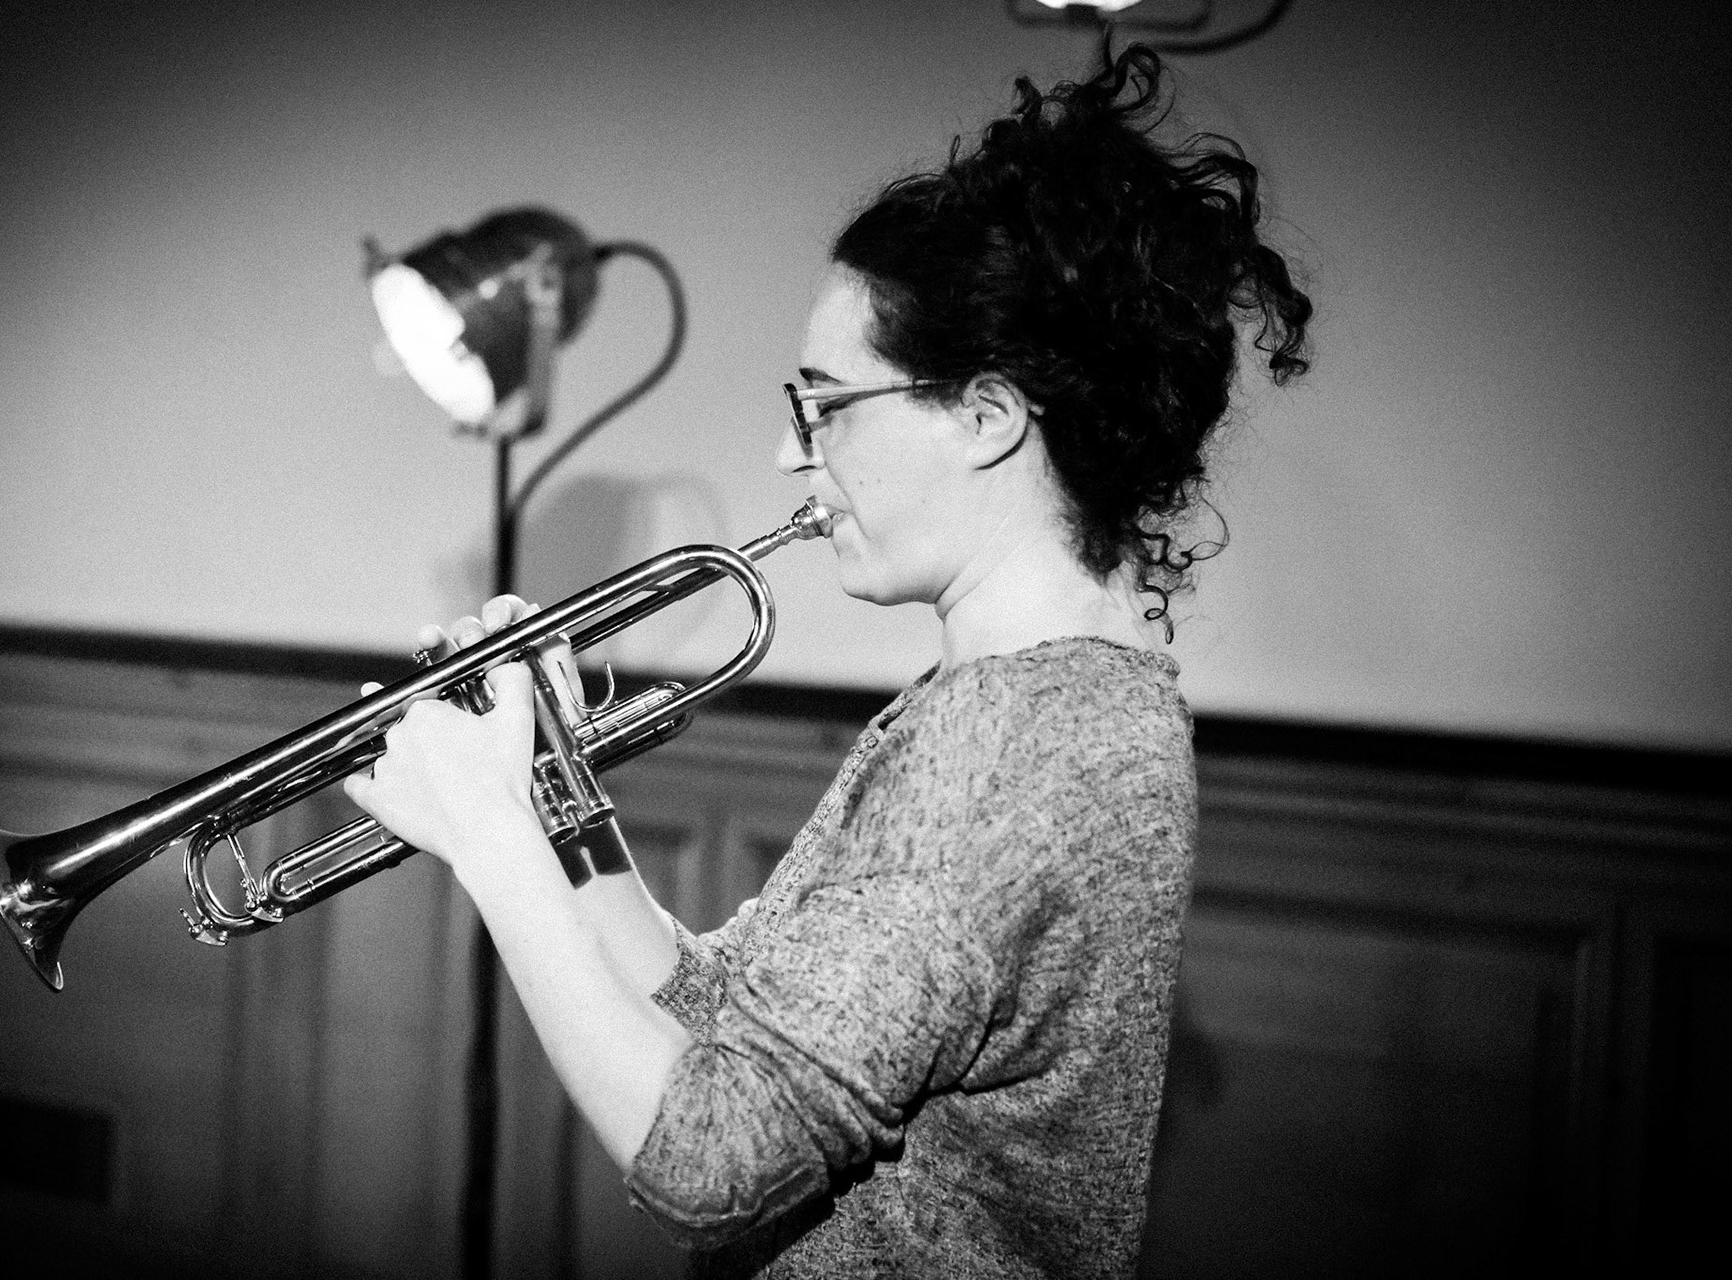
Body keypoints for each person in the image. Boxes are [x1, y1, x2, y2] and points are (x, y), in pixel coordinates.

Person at [346, 40, 1311, 1279]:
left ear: (987, 416)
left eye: (828, 403)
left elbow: (707, 1160)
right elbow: (720, 1027)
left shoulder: (1004, 745)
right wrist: (551, 791)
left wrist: (485, 838)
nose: (799, 452)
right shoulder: (1047, 703)